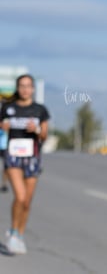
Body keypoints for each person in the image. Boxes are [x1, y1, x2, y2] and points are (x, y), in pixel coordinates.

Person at [1, 74, 50, 254]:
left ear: (33, 89)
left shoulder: (39, 110)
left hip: (33, 157)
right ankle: (13, 232)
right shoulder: (8, 108)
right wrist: (3, 128)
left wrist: (36, 129)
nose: (25, 89)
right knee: (20, 197)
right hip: (13, 156)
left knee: (27, 202)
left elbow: (44, 135)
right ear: (17, 88)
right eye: (22, 86)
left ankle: (19, 235)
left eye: (28, 86)